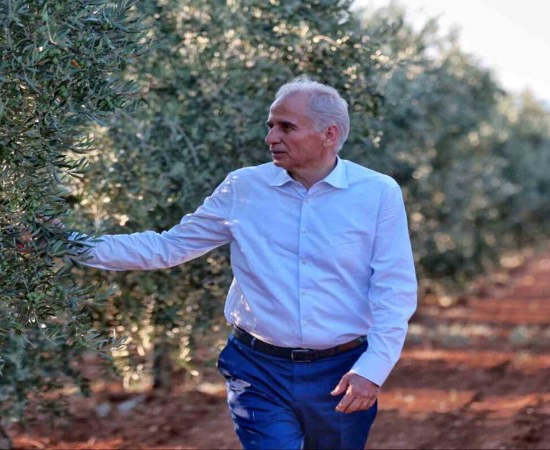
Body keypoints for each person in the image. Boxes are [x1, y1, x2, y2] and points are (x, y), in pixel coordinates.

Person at [79, 77, 417, 449]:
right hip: (257, 371)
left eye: (286, 127)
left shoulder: (377, 193)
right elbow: (167, 247)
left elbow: (394, 289)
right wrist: (70, 246)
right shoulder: (243, 188)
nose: (271, 137)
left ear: (329, 134)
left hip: (340, 372)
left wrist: (372, 370)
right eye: (270, 126)